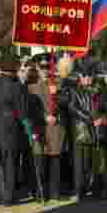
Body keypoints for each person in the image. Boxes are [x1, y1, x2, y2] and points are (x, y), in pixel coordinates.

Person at [0, 61, 29, 206]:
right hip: (9, 127)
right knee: (9, 161)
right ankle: (8, 197)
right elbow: (22, 113)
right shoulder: (17, 87)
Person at [28, 59, 70, 203]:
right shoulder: (31, 87)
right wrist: (44, 116)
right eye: (42, 67)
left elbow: (66, 102)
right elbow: (30, 108)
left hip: (56, 127)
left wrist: (57, 94)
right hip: (41, 127)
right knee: (40, 162)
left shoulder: (58, 84)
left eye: (47, 67)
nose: (45, 70)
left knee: (55, 161)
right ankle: (41, 194)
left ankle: (55, 193)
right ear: (38, 69)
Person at [67, 67, 107, 200]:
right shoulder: (75, 91)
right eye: (85, 75)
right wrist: (91, 120)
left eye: (90, 75)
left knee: (98, 163)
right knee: (82, 164)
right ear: (80, 77)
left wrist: (103, 119)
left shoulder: (100, 91)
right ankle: (81, 191)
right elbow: (73, 108)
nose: (88, 78)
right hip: (83, 131)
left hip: (98, 131)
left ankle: (98, 190)